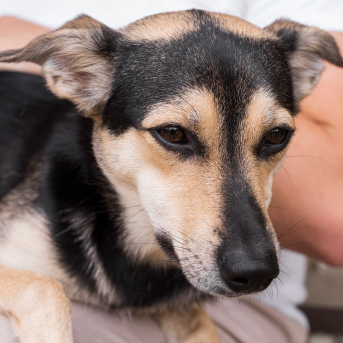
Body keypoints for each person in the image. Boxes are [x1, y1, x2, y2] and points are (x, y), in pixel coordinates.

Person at [0, 1, 342, 342]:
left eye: (274, 136)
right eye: (174, 134)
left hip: (245, 310)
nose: (251, 258)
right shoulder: (44, 219)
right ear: (80, 74)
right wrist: (35, 297)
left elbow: (335, 214)